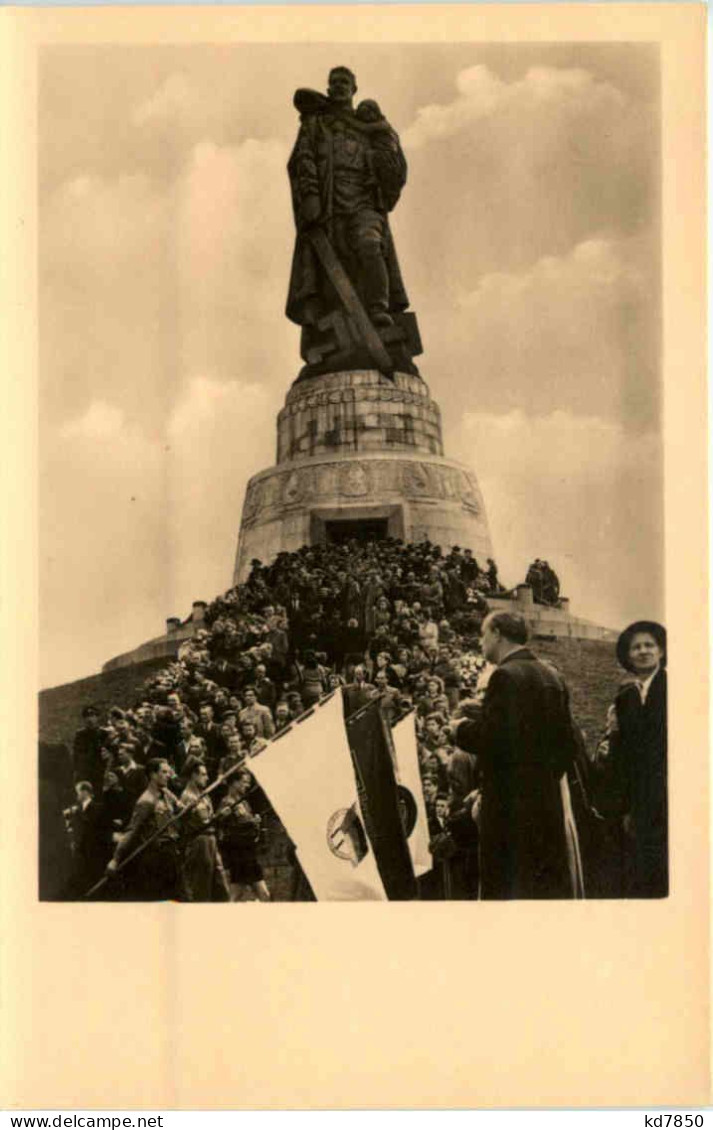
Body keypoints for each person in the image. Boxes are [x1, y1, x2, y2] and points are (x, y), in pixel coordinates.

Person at [451, 611, 583, 900]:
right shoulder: (552, 675)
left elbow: (494, 739)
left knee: (507, 890)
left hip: (509, 811)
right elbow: (567, 744)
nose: (481, 642)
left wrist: (460, 730)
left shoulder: (505, 676)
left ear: (497, 633)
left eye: (483, 634)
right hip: (546, 805)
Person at [286, 66, 409, 336]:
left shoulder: (369, 125)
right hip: (329, 201)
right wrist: (310, 195)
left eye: (345, 82)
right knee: (333, 268)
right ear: (329, 89)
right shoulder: (317, 123)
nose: (339, 86)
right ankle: (338, 329)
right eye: (334, 82)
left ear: (354, 89)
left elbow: (394, 165)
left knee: (370, 245)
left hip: (365, 201)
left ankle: (377, 310)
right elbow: (303, 159)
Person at [603, 621, 668, 898]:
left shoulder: (674, 687)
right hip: (638, 799)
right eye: (636, 647)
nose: (643, 651)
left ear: (661, 651)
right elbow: (624, 753)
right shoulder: (626, 696)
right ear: (629, 656)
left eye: (649, 645)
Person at [105, 758, 182, 901]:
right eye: (164, 772)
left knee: (176, 899)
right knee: (159, 899)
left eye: (168, 772)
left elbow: (180, 808)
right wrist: (115, 859)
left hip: (171, 853)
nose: (168, 775)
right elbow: (132, 831)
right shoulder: (146, 801)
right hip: (155, 857)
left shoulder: (166, 794)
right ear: (153, 775)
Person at [180, 763, 231, 902]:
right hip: (199, 841)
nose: (207, 778)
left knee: (220, 884)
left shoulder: (203, 795)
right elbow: (202, 821)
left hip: (210, 840)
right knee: (202, 886)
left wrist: (220, 815)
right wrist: (220, 815)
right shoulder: (188, 797)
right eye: (203, 774)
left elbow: (210, 818)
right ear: (193, 775)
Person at [216, 771, 270, 902]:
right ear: (234, 783)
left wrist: (254, 820)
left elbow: (247, 819)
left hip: (249, 852)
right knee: (259, 894)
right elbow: (220, 822)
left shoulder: (244, 802)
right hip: (239, 854)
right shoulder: (227, 802)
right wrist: (249, 823)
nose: (246, 785)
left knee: (240, 893)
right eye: (244, 782)